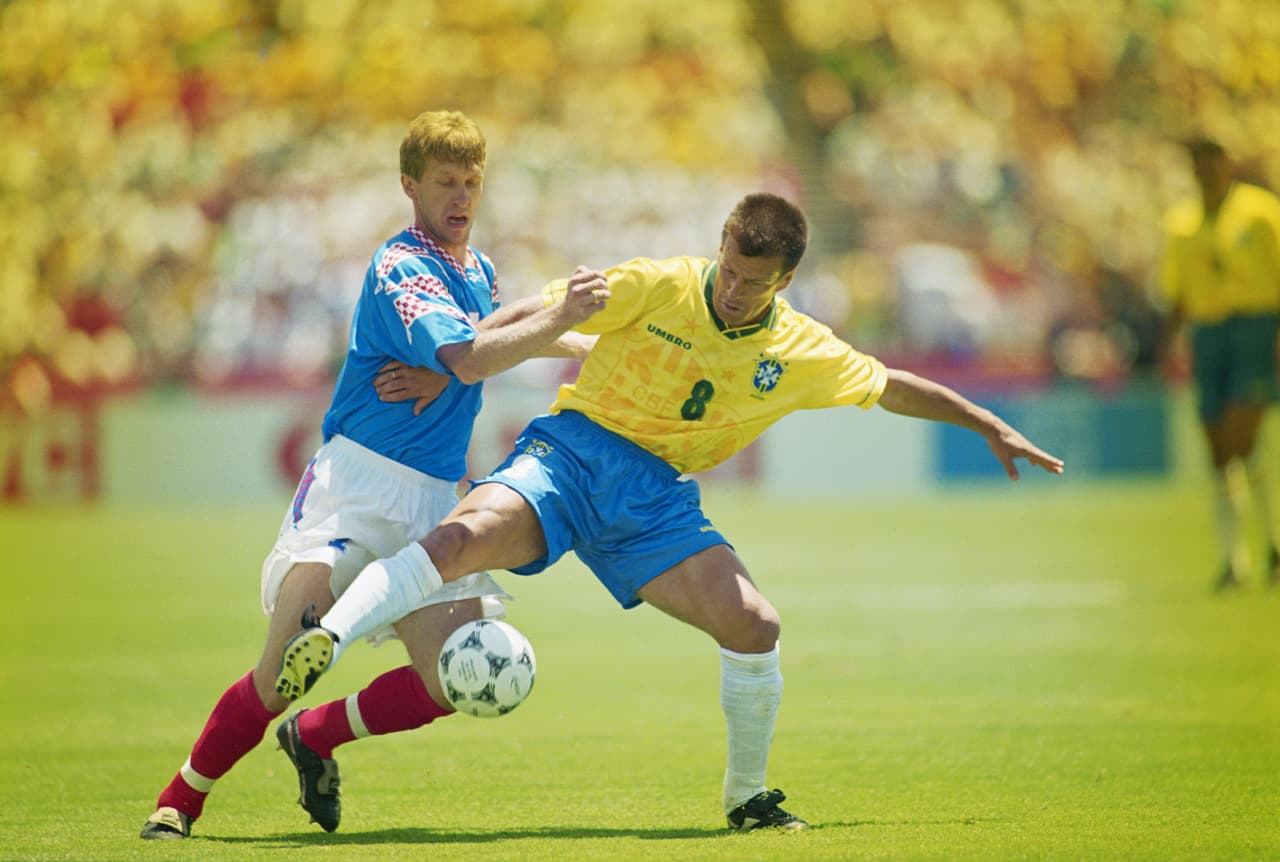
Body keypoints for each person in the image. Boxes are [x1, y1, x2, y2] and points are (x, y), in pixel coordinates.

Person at [275, 192, 1065, 832]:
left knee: (755, 624)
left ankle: (746, 798)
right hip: (571, 455)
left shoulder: (797, 347)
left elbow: (888, 383)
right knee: (461, 537)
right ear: (721, 245)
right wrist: (448, 367)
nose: (734, 288)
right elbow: (535, 311)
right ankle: (329, 639)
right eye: (730, 269)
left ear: (783, 282)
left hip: (654, 501)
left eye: (755, 282)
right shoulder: (655, 283)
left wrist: (988, 423)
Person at [139, 109, 607, 840]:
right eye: (445, 181)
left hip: (430, 502)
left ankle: (317, 736)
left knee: (452, 678)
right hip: (357, 489)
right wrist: (539, 333)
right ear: (409, 186)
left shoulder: (472, 268)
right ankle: (180, 800)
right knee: (284, 669)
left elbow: (486, 326)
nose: (460, 196)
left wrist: (570, 333)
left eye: (471, 182)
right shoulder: (400, 266)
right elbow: (471, 357)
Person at [1159, 136, 1280, 591]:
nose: (1203, 169)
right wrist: (1169, 343)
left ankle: (1272, 544)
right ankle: (1236, 559)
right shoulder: (1181, 223)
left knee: (1240, 434)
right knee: (1217, 449)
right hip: (1207, 335)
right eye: (1195, 162)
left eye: (1210, 159)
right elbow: (1176, 292)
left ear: (1226, 162)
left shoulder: (1262, 212)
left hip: (1253, 327)